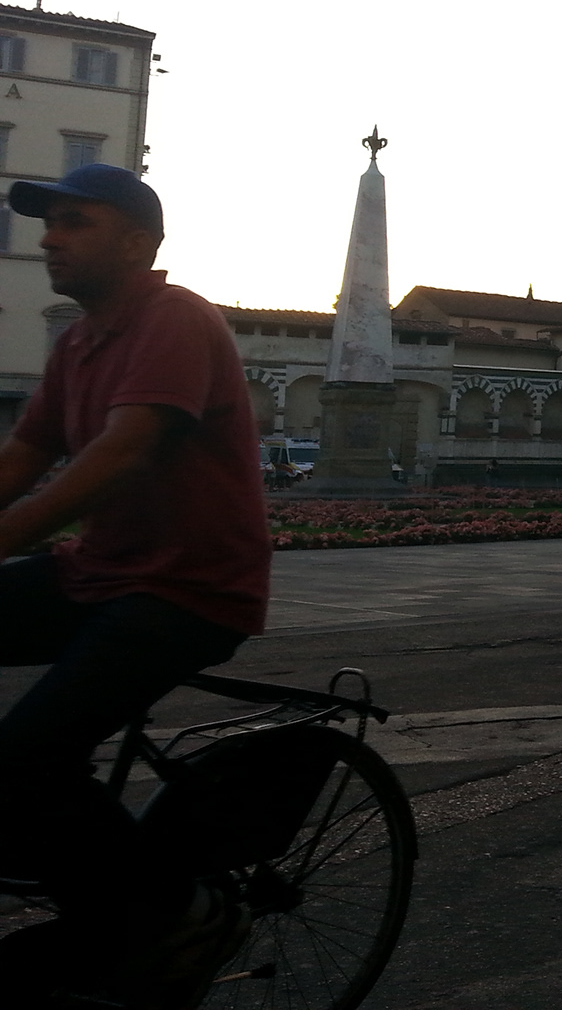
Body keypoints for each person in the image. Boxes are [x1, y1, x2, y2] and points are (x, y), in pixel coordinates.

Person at [0, 164, 269, 1005]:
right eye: (50, 223)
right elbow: (24, 455)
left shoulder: (172, 319)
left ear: (138, 241)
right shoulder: (79, 342)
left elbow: (126, 451)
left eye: (75, 222)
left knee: (27, 760)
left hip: (187, 588)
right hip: (102, 574)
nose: (50, 236)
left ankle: (177, 915)